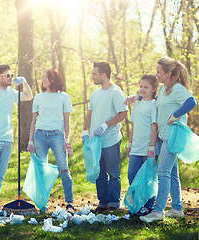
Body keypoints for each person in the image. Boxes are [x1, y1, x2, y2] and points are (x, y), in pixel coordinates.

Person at [137, 57, 197, 223]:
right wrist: (136, 97)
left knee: (162, 173)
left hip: (172, 136)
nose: (156, 74)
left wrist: (175, 115)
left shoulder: (177, 88)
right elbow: (155, 101)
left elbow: (191, 101)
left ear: (168, 73)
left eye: (158, 72)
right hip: (163, 136)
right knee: (171, 173)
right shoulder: (164, 89)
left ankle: (158, 211)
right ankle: (177, 208)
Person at [0, 64, 33, 218]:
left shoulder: (11, 93)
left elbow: (29, 96)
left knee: (1, 175)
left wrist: (24, 83)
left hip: (8, 140)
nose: (11, 78)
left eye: (12, 75)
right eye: (8, 75)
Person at [82, 62, 128, 213]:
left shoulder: (116, 92)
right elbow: (89, 113)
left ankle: (114, 203)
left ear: (103, 75)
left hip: (111, 139)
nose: (92, 76)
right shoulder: (95, 94)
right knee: (99, 172)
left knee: (112, 172)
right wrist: (84, 131)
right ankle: (103, 203)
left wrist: (105, 125)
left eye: (94, 74)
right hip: (96, 141)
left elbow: (123, 113)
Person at [27, 68, 75, 213]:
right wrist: (30, 141)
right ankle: (42, 205)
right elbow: (33, 120)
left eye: (45, 77)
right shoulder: (38, 97)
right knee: (41, 170)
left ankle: (70, 202)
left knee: (64, 168)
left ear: (52, 80)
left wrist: (67, 139)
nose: (42, 80)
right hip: (39, 136)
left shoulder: (64, 97)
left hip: (57, 136)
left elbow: (67, 122)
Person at [126, 75, 159, 216]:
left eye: (146, 87)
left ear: (153, 89)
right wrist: (129, 143)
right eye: (141, 86)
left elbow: (154, 127)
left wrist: (152, 147)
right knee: (132, 176)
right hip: (136, 147)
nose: (142, 89)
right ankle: (136, 204)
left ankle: (149, 205)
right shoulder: (137, 105)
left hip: (148, 148)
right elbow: (134, 126)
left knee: (148, 178)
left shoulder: (154, 105)